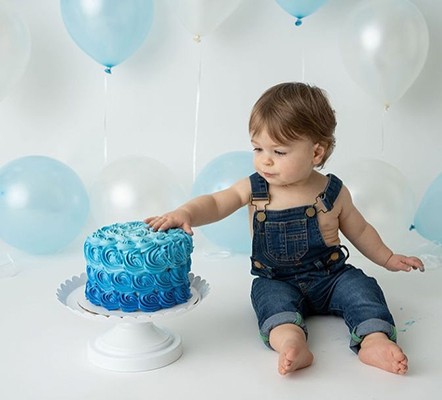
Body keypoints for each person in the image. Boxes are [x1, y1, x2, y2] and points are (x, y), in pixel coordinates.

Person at [145, 82, 424, 376]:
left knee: (362, 290)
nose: (265, 160)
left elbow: (361, 230)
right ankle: (292, 341)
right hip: (276, 279)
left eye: (279, 151)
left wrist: (388, 258)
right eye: (258, 148)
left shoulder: (333, 192)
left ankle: (373, 339)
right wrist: (184, 212)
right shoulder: (254, 188)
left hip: (330, 277)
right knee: (273, 306)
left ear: (316, 153)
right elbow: (216, 202)